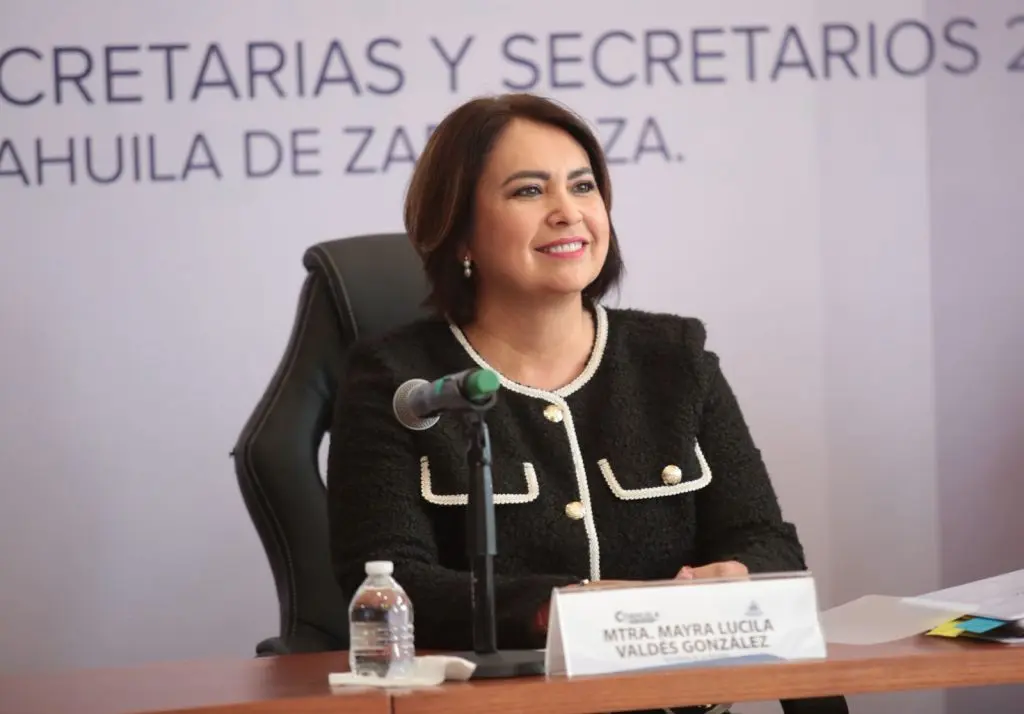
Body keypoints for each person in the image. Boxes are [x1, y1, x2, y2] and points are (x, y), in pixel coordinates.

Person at [326, 93, 848, 714]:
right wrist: (561, 608)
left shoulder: (675, 359)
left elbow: (768, 543)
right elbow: (389, 583)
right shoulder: (399, 381)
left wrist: (737, 577)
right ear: (460, 232)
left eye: (582, 186)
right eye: (528, 191)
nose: (567, 212)